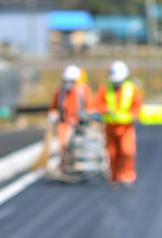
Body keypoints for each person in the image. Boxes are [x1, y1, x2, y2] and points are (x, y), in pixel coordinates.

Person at [94, 61, 142, 190]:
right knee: (112, 153)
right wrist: (104, 109)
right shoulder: (105, 89)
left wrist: (134, 115)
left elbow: (137, 106)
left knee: (127, 151)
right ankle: (114, 178)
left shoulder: (132, 89)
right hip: (110, 127)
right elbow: (96, 104)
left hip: (125, 128)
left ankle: (127, 177)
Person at [48, 64, 95, 153]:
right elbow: (53, 107)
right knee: (61, 147)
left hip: (81, 126)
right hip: (65, 125)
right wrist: (52, 115)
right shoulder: (60, 91)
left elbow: (90, 107)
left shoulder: (83, 90)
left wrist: (87, 116)